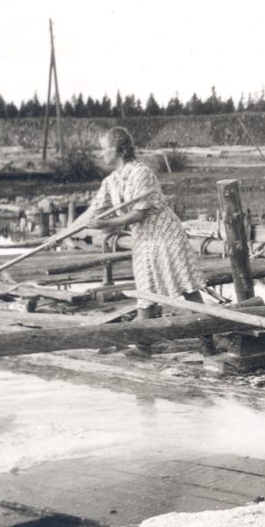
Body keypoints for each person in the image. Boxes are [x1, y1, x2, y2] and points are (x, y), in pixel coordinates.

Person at [61, 126, 214, 359]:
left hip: (165, 235)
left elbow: (138, 215)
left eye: (104, 149)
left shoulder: (141, 173)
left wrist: (108, 224)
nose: (101, 153)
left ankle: (208, 343)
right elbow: (92, 212)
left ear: (119, 150)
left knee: (186, 287)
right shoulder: (111, 181)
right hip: (143, 238)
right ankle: (143, 346)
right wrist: (63, 233)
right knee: (145, 291)